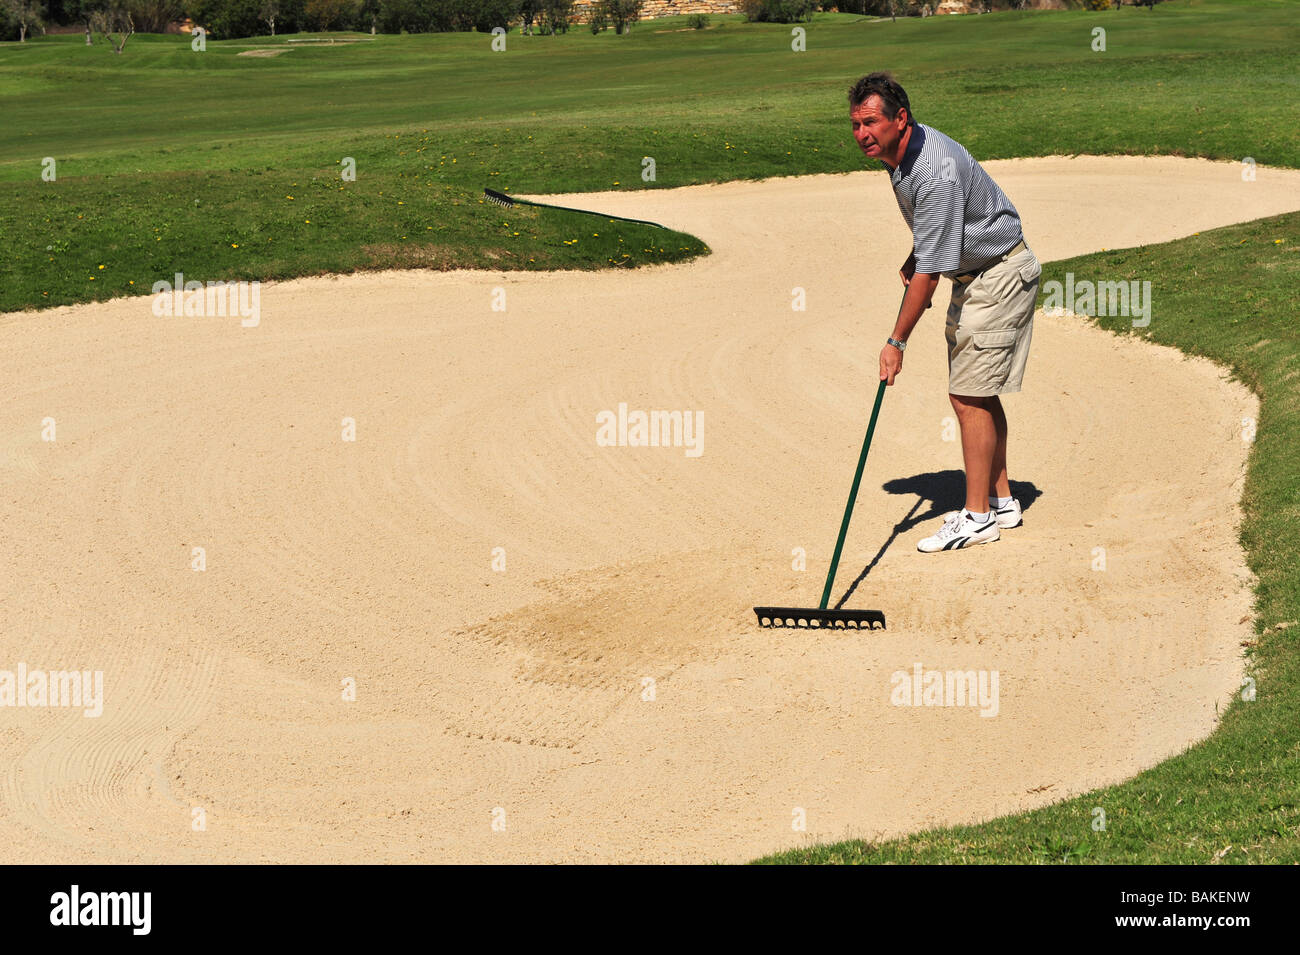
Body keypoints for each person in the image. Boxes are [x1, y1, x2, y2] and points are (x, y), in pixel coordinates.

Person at [848, 71, 1040, 553]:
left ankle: (976, 517)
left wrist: (896, 343)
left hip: (997, 275)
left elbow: (929, 277)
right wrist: (920, 253)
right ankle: (1001, 501)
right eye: (855, 124)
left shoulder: (933, 171)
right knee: (977, 392)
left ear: (901, 119)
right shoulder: (899, 154)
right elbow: (936, 240)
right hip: (980, 272)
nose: (862, 134)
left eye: (871, 122)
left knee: (968, 397)